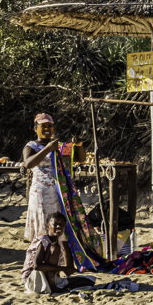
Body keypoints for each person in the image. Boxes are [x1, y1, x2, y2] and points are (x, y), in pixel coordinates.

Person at [21, 212, 95, 293]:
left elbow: (52, 267)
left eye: (61, 224)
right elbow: (37, 266)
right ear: (48, 227)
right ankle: (53, 287)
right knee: (55, 247)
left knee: (89, 280)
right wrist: (63, 269)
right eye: (55, 224)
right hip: (33, 280)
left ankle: (55, 286)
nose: (59, 226)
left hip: (47, 279)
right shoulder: (43, 241)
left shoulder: (57, 242)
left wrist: (64, 271)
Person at [22, 113, 61, 242]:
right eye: (43, 126)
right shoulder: (32, 146)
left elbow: (80, 158)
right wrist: (47, 149)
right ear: (35, 128)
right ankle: (41, 250)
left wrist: (78, 146)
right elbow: (28, 163)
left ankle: (55, 251)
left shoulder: (57, 145)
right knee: (43, 224)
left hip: (57, 192)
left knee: (56, 223)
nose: (47, 129)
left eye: (50, 126)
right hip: (41, 192)